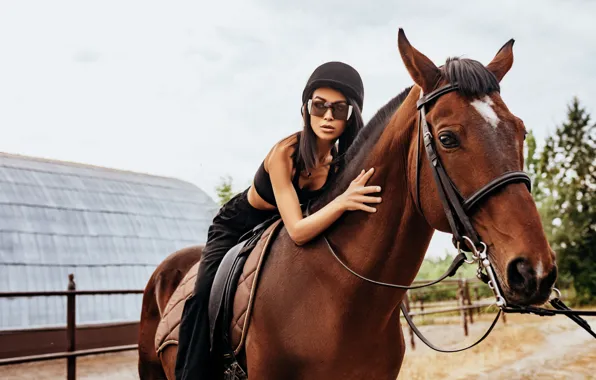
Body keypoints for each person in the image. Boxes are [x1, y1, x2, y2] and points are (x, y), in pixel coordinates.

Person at [175, 61, 382, 379]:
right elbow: (298, 230)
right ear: (306, 108)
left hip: (283, 228)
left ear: (351, 114)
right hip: (239, 224)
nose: (327, 116)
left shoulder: (343, 163)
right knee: (204, 292)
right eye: (319, 105)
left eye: (338, 109)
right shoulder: (284, 153)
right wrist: (342, 201)